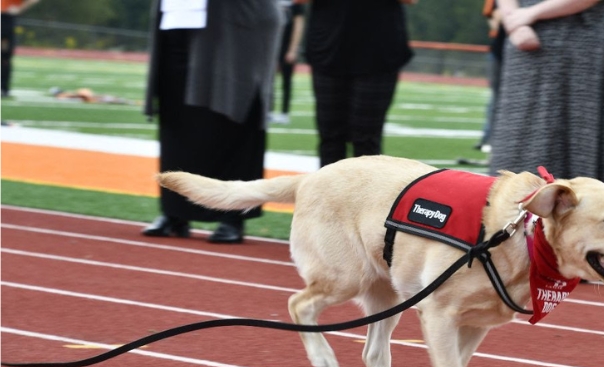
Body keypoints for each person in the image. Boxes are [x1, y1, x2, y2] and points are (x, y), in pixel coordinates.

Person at [142, 0, 284, 243]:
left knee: (231, 122)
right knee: (177, 125)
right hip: (178, 23)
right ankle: (175, 212)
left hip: (234, 28)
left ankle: (232, 216)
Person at [490, 0, 604, 192]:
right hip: (525, 37)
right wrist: (515, 20)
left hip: (582, 38)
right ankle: (512, 215)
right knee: (519, 141)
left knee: (579, 143)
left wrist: (529, 15)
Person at [302, 0, 414, 168]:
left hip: (378, 53)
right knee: (330, 137)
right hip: (328, 48)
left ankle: (366, 194)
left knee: (366, 139)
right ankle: (329, 193)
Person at [474, 0, 506, 154]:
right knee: (497, 98)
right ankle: (490, 139)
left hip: (522, 52)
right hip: (501, 50)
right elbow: (495, 19)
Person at [269, 0, 306, 125]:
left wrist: (293, 49)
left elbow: (298, 24)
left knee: (286, 80)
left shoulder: (296, 3)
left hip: (287, 46)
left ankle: (284, 113)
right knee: (268, 81)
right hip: (270, 44)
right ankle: (268, 111)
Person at [1, 0, 39, 97]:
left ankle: (3, 88)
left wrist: (18, 9)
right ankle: (3, 88)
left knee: (4, 56)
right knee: (4, 57)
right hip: (5, 19)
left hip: (6, 19)